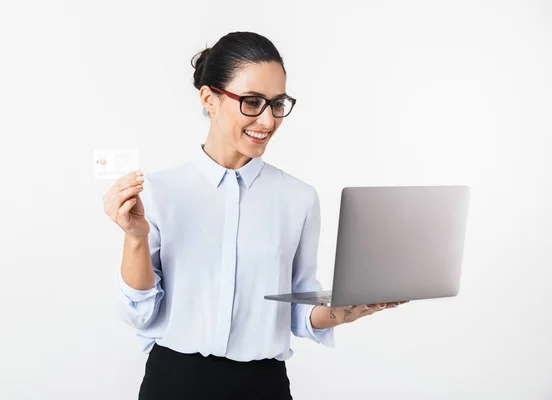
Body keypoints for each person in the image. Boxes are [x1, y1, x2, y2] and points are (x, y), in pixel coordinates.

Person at [103, 31, 406, 400]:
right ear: (209, 99)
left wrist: (346, 310)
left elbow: (298, 312)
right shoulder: (157, 191)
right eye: (251, 101)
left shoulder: (299, 199)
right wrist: (135, 237)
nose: (267, 120)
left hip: (264, 386)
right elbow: (139, 314)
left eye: (277, 103)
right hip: (174, 382)